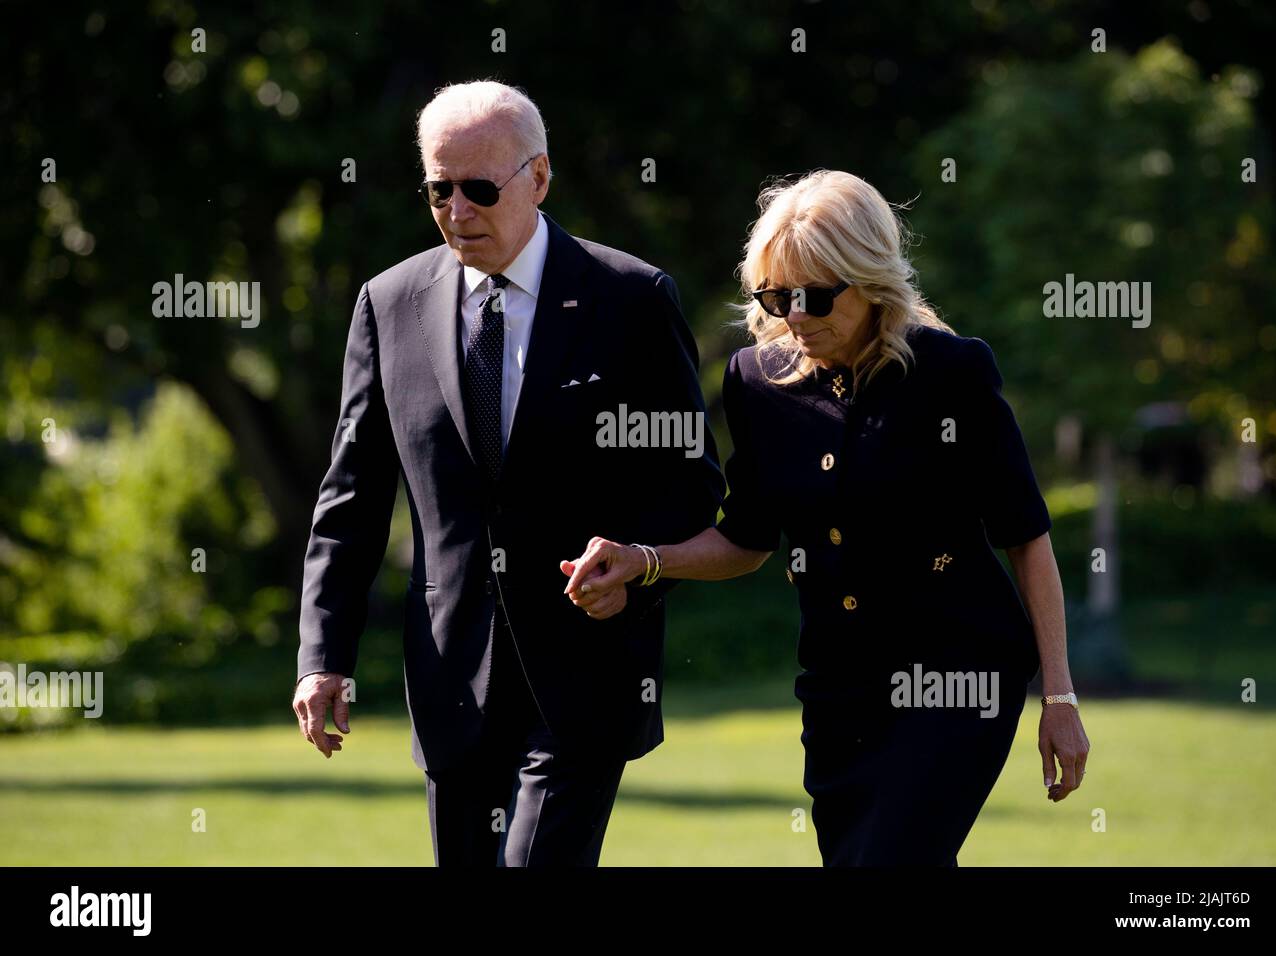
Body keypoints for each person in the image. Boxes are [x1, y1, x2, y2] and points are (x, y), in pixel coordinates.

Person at [562, 169, 1091, 866]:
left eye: (813, 296)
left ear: (870, 281)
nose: (795, 316)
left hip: (957, 681)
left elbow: (1025, 537)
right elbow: (748, 538)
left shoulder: (952, 372)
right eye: (775, 297)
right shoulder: (756, 382)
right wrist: (645, 558)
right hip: (840, 695)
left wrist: (1059, 696)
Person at [293, 80, 724, 866]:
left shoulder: (629, 299)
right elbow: (350, 501)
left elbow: (690, 486)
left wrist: (637, 568)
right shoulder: (387, 305)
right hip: (451, 679)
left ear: (539, 178)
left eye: (480, 189)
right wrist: (323, 657)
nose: (458, 211)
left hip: (586, 677)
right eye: (438, 189)